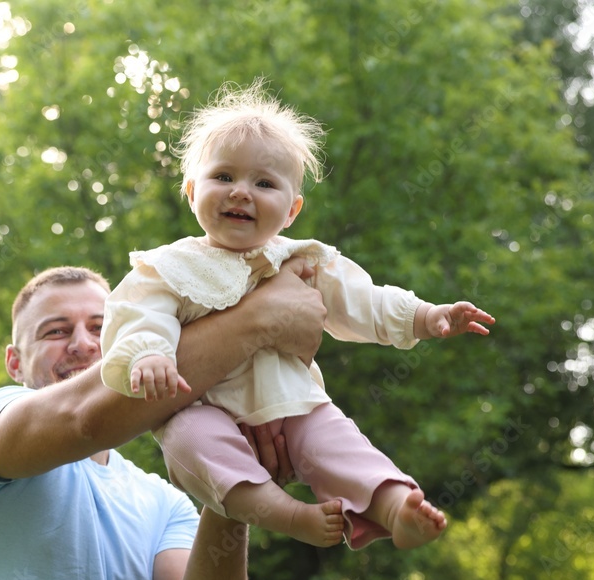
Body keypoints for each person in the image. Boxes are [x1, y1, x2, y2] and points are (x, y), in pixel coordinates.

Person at [100, 80, 496, 551]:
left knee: (337, 442)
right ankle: (287, 514)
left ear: (291, 210)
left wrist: (428, 317)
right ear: (190, 191)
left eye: (264, 183)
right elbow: (140, 311)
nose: (241, 192)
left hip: (292, 403)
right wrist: (150, 354)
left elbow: (362, 301)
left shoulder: (303, 259)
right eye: (223, 177)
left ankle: (394, 506)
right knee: (188, 441)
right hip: (204, 408)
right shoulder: (169, 265)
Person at [0, 263, 328, 580]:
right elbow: (84, 420)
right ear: (15, 363)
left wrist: (230, 491)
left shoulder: (166, 505)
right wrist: (256, 318)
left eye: (101, 327)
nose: (84, 344)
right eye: (56, 331)